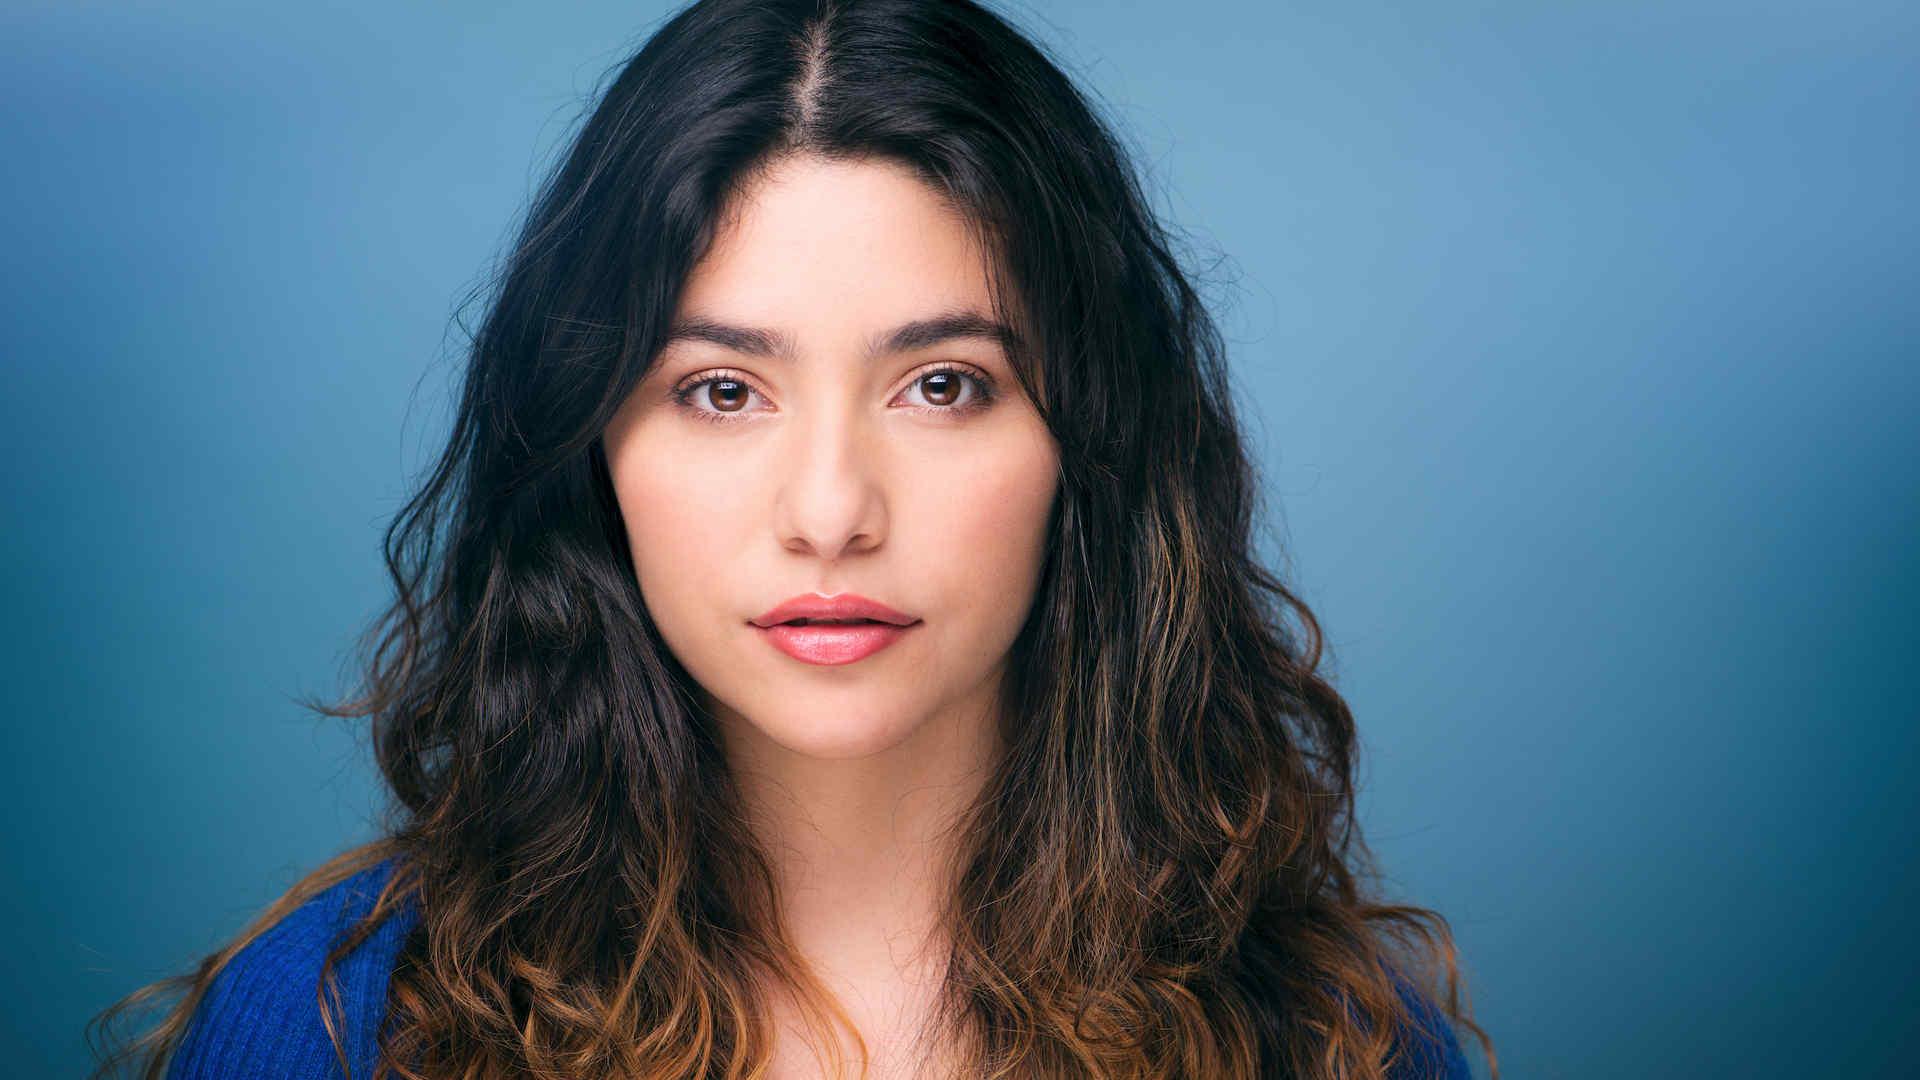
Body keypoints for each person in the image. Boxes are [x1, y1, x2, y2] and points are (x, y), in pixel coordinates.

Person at [89, 1, 1495, 1076]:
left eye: (943, 385)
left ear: (1092, 449)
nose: (831, 511)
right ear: (592, 450)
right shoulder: (332, 1029)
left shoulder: (1334, 1045)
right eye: (722, 391)